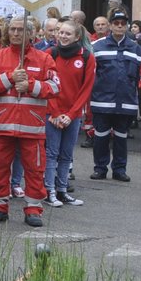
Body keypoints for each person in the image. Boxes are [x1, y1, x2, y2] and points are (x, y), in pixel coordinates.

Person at [0, 15, 59, 226]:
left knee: (35, 169)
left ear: (31, 34)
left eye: (21, 30)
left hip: (31, 126)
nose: (16, 33)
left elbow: (54, 87)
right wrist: (10, 78)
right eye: (13, 29)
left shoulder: (44, 59)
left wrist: (31, 86)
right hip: (2, 124)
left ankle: (33, 209)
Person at [44, 18, 92, 206]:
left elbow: (86, 89)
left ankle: (62, 190)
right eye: (61, 33)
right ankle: (49, 190)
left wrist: (71, 115)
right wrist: (55, 113)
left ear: (77, 37)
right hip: (52, 114)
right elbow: (46, 86)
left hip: (72, 115)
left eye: (67, 33)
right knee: (51, 153)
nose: (63, 36)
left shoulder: (86, 57)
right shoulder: (50, 54)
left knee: (66, 154)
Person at [88, 9, 140, 182]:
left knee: (121, 138)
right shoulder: (96, 46)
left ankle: (119, 169)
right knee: (100, 137)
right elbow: (90, 74)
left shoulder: (136, 48)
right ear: (110, 25)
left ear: (127, 26)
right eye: (116, 23)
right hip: (102, 101)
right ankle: (100, 168)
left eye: (123, 23)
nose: (119, 26)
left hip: (126, 102)